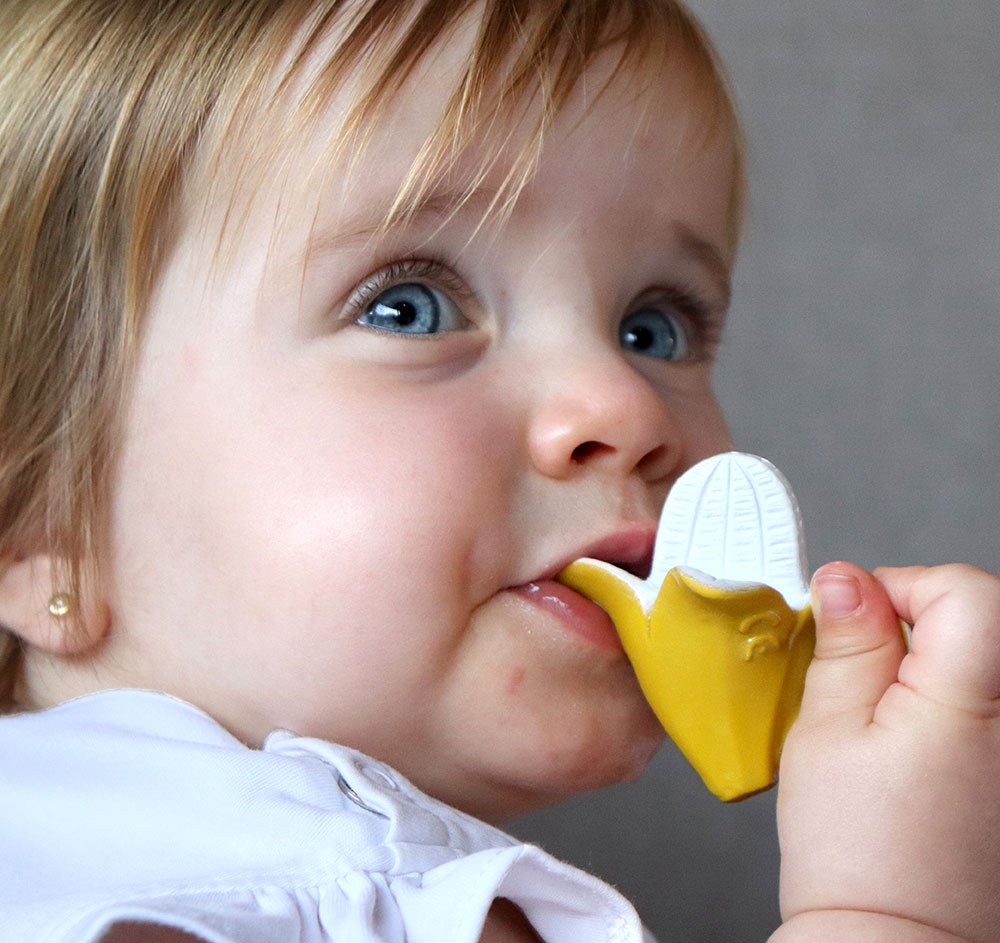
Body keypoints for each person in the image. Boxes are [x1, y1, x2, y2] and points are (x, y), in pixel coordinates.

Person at [0, 1, 997, 941]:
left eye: (654, 325)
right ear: (37, 519)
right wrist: (889, 910)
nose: (625, 406)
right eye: (409, 307)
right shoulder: (198, 901)